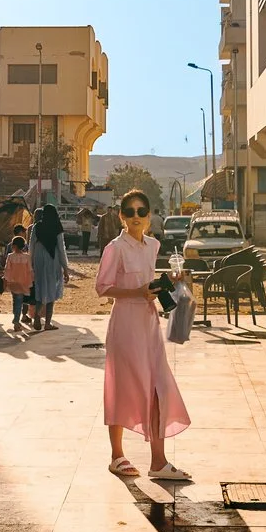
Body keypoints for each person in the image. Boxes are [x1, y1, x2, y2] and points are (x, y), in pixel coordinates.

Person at [95, 191, 189, 479]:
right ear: (121, 216)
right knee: (123, 386)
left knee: (159, 387)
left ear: (149, 215)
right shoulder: (115, 248)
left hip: (149, 324)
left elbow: (146, 282)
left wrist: (169, 281)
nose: (135, 216)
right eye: (130, 211)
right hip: (125, 325)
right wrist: (137, 292)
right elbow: (102, 287)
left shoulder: (153, 245)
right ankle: (116, 455)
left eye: (141, 211)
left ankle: (158, 462)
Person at [31, 204, 69, 332]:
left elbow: (31, 245)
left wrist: (30, 263)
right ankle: (47, 323)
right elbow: (61, 248)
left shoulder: (37, 226)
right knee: (51, 290)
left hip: (38, 258)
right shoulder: (57, 226)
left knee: (40, 288)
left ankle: (37, 316)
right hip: (53, 259)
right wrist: (65, 268)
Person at [0, 232, 35, 333]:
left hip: (13, 283)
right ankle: (16, 321)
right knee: (20, 302)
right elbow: (30, 271)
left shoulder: (10, 256)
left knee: (16, 301)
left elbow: (7, 270)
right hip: (24, 283)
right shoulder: (27, 257)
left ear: (14, 246)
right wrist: (32, 282)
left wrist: (5, 281)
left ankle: (16, 320)